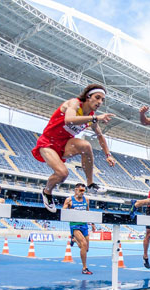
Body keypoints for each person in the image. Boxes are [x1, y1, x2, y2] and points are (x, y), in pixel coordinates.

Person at [32, 84, 117, 212]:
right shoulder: (74, 103)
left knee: (86, 146)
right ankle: (47, 192)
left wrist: (108, 154)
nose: (100, 102)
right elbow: (69, 120)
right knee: (62, 174)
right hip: (48, 142)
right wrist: (95, 118)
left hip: (64, 144)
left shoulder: (92, 117)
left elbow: (100, 136)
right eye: (97, 97)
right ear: (88, 97)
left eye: (102, 100)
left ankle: (90, 184)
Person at [62, 183, 95, 274]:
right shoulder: (69, 200)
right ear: (76, 190)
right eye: (80, 190)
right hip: (75, 225)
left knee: (86, 248)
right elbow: (63, 212)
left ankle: (74, 240)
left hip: (84, 225)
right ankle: (84, 268)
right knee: (83, 244)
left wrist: (92, 224)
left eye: (84, 191)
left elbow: (88, 212)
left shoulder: (86, 200)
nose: (82, 193)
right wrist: (68, 210)